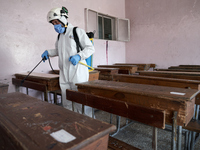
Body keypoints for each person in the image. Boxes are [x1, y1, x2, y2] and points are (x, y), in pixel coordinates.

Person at [41, 7, 95, 117]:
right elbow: (59, 50)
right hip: (64, 73)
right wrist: (49, 52)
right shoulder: (60, 36)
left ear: (63, 19)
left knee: (82, 102)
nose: (55, 25)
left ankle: (90, 125)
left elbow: (90, 48)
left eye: (56, 22)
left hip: (78, 72)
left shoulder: (77, 31)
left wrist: (79, 56)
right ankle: (72, 124)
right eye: (53, 23)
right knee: (67, 102)